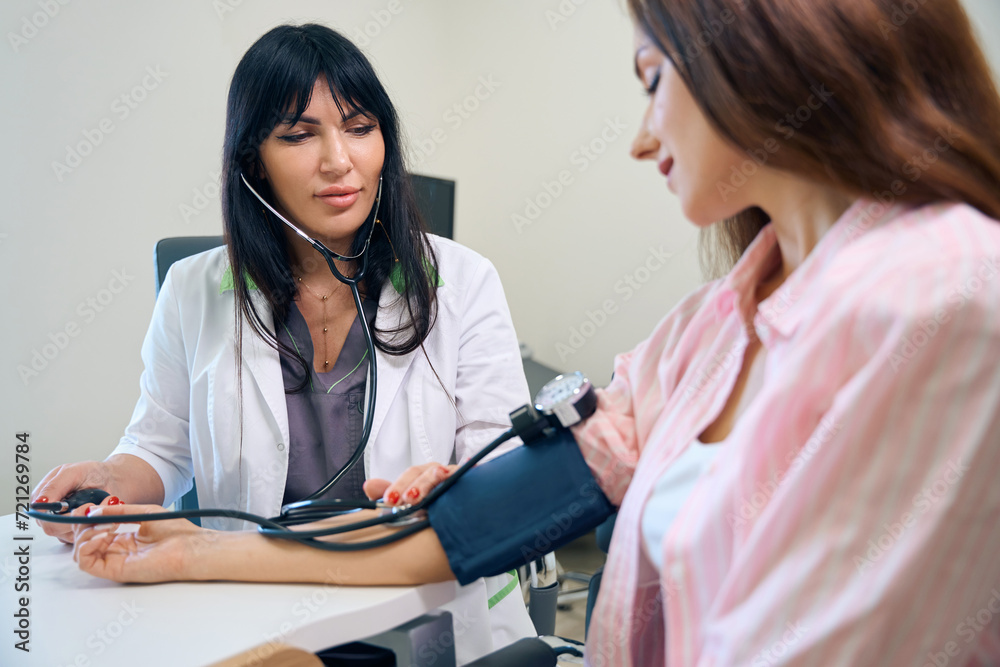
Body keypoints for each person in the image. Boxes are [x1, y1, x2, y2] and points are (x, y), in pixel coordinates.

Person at [70, 0, 1000, 664]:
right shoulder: (712, 327)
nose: (641, 138)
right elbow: (491, 510)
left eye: (653, 80)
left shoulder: (943, 294)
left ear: (767, 57)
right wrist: (188, 549)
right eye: (300, 135)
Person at [31, 23, 537, 664]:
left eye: (360, 128)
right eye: (299, 135)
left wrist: (454, 481)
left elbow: (504, 469)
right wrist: (108, 478)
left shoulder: (463, 281)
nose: (339, 161)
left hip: (428, 615)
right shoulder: (192, 290)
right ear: (253, 162)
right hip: (258, 611)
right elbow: (160, 446)